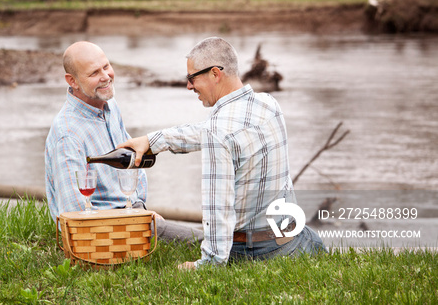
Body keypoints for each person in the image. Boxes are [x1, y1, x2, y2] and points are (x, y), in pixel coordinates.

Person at [119, 37, 326, 268]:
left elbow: (219, 211)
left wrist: (206, 265)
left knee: (159, 231)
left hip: (255, 252)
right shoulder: (269, 105)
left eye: (192, 78)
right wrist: (153, 140)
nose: (188, 86)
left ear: (215, 74)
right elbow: (216, 132)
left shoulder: (217, 132)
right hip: (298, 240)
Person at [45, 41, 203, 244]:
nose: (105, 76)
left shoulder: (109, 105)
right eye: (94, 73)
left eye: (106, 66)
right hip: (105, 230)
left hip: (130, 213)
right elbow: (73, 213)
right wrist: (132, 221)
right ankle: (237, 251)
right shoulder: (67, 134)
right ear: (72, 81)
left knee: (202, 234)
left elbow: (130, 165)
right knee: (201, 242)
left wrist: (138, 209)